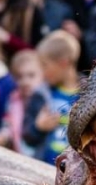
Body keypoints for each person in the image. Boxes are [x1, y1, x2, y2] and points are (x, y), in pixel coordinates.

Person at [22, 29, 81, 165]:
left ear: (64, 63)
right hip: (43, 169)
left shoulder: (89, 94)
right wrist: (38, 127)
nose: (42, 73)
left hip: (76, 172)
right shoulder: (40, 94)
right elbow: (27, 137)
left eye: (45, 66)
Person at [7, 48, 47, 157]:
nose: (25, 82)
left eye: (31, 75)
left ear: (43, 74)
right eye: (19, 77)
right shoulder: (13, 100)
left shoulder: (46, 100)